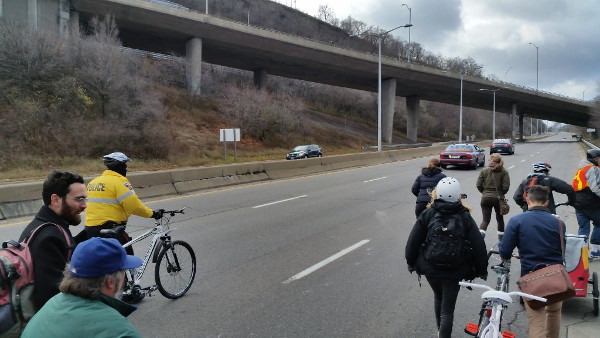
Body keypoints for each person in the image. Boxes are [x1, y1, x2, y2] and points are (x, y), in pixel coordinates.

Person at [405, 177, 488, 338]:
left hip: (431, 268)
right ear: (458, 195)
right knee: (447, 310)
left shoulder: (428, 213)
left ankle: (439, 331)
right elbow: (478, 245)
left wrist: (411, 262)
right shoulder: (464, 216)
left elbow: (413, 242)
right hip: (455, 270)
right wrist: (481, 269)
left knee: (438, 297)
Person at [21, 237, 143, 337]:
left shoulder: (53, 303)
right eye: (123, 272)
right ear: (110, 282)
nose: (125, 278)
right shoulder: (118, 330)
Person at [499, 185, 565, 338]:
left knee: (537, 319)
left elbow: (505, 251)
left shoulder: (517, 221)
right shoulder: (560, 223)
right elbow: (559, 250)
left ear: (527, 200)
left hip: (532, 277)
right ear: (547, 202)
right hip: (555, 277)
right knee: (554, 313)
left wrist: (523, 254)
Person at [18, 170, 87, 311]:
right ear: (56, 200)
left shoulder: (45, 225)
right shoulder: (48, 238)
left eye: (85, 199)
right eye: (79, 199)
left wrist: (90, 235)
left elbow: (65, 248)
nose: (84, 205)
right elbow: (53, 298)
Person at [84, 152, 163, 251]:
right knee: (127, 256)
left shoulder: (93, 182)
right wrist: (152, 213)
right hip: (110, 230)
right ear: (119, 166)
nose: (126, 168)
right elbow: (134, 206)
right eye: (125, 165)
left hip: (90, 230)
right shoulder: (119, 182)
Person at [572, 149, 600, 257]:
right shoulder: (592, 169)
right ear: (596, 158)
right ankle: (595, 248)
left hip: (578, 203)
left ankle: (582, 254)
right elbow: (596, 187)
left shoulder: (582, 168)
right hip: (590, 203)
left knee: (583, 228)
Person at [476, 153, 510, 241]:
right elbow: (506, 187)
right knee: (500, 219)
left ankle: (480, 238)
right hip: (498, 199)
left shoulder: (484, 170)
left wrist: (484, 192)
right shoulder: (504, 171)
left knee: (485, 220)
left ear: (491, 160)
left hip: (485, 198)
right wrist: (501, 194)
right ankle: (501, 240)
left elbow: (478, 185)